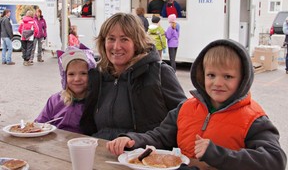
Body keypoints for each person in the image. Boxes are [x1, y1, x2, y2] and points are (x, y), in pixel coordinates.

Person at [107, 39, 287, 170]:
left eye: (228, 77)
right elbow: (160, 137)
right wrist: (134, 140)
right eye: (211, 75)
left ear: (243, 80)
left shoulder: (253, 118)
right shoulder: (186, 108)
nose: (218, 83)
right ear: (202, 76)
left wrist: (217, 154)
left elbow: (275, 160)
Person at [79, 12, 186, 140]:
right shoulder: (98, 75)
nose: (116, 46)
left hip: (143, 155)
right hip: (100, 151)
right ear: (103, 42)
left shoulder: (159, 73)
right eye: (111, 39)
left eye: (124, 39)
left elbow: (185, 116)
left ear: (137, 43)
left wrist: (139, 140)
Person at [35, 44, 96, 133]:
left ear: (91, 75)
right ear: (64, 77)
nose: (77, 79)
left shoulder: (96, 103)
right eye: (71, 74)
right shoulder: (55, 100)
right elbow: (40, 123)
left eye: (83, 73)